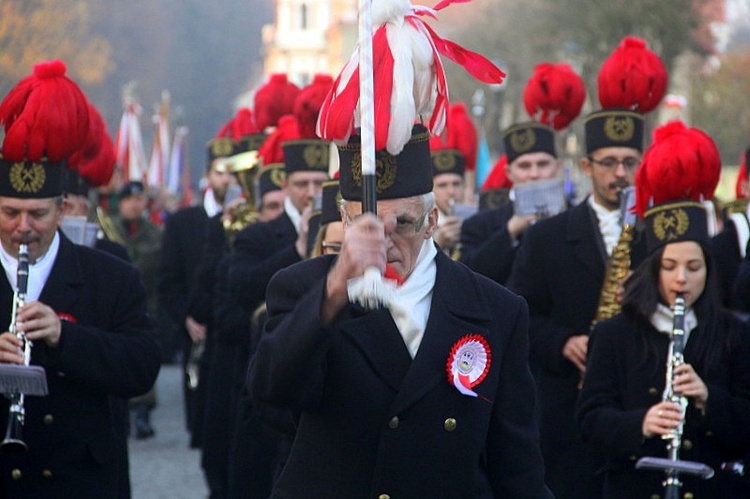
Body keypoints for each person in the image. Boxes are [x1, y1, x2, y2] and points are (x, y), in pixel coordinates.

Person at [247, 124, 552, 497]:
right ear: (344, 222)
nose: (385, 242)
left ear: (432, 222)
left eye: (403, 224)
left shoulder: (496, 309)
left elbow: (516, 463)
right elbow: (271, 389)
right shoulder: (303, 288)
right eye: (368, 226)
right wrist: (333, 292)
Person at [507, 36, 665, 498]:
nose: (620, 173)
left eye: (630, 162)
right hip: (566, 417)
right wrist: (563, 342)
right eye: (609, 162)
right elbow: (522, 317)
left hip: (640, 412)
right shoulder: (546, 237)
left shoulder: (659, 236)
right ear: (586, 165)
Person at [0, 59, 160, 498]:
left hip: (78, 482)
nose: (23, 227)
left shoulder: (110, 275)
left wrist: (65, 337)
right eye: (10, 213)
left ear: (62, 209)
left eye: (38, 214)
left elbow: (142, 366)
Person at [577, 121, 750, 498]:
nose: (681, 280)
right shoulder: (614, 334)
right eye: (669, 268)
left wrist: (707, 399)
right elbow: (590, 421)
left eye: (693, 268)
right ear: (652, 271)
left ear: (709, 270)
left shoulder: (734, 333)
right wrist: (642, 422)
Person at [158, 135, 236, 448]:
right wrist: (186, 320)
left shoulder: (249, 221)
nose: (227, 180)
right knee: (205, 433)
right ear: (207, 175)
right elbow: (168, 280)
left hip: (232, 333)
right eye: (220, 172)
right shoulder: (183, 222)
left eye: (232, 172)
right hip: (199, 336)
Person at [460, 122, 562, 284]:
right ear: (509, 172)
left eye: (542, 164)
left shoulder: (578, 216)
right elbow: (469, 278)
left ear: (557, 166)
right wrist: (510, 232)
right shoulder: (479, 225)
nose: (534, 174)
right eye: (524, 166)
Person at [112, 180, 162, 440]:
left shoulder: (156, 233)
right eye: (129, 200)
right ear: (120, 203)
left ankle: (143, 411)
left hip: (147, 306)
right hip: (115, 306)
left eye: (139, 199)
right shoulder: (108, 230)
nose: (134, 204)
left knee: (142, 356)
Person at [429, 103, 477, 257]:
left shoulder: (479, 218)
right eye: (442, 185)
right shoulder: (421, 224)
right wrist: (439, 243)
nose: (451, 192)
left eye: (456, 184)